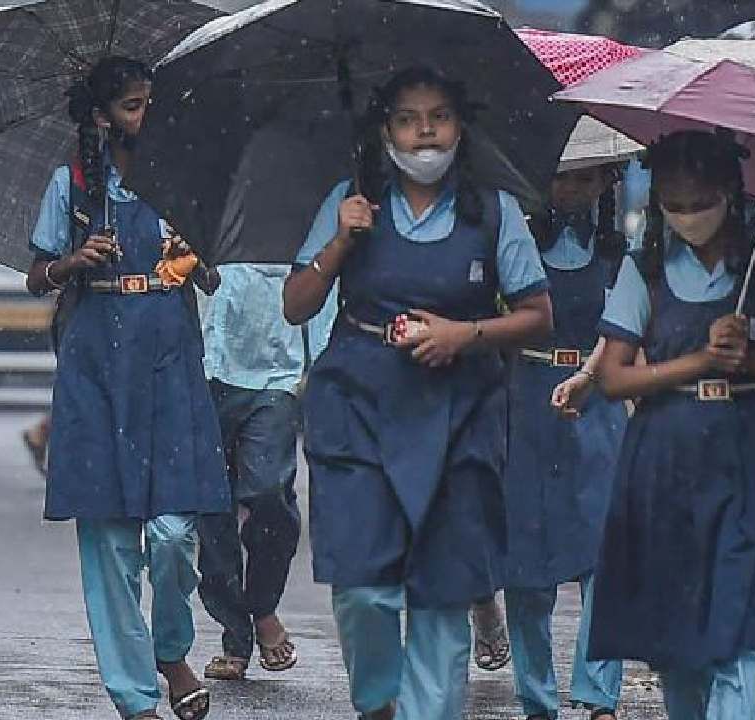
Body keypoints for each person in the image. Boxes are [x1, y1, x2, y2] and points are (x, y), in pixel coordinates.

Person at [282, 66, 554, 720]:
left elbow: (538, 315)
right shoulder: (350, 201)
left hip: (461, 409)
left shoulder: (494, 211)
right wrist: (342, 242)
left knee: (441, 592)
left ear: (461, 126)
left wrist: (466, 334)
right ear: (385, 131)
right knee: (363, 590)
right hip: (359, 401)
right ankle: (377, 703)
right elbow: (296, 305)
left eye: (438, 115)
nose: (424, 131)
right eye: (407, 118)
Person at [565, 129, 755, 720]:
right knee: (678, 639)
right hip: (668, 460)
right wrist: (699, 362)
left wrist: (749, 360)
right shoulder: (644, 272)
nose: (688, 217)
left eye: (700, 202)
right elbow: (613, 377)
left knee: (748, 625)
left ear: (730, 193)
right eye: (674, 206)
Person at [24, 56, 229, 720]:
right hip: (95, 364)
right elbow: (36, 275)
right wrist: (70, 262)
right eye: (132, 106)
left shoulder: (184, 176)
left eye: (150, 104)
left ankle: (170, 649)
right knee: (109, 542)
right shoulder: (71, 183)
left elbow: (215, 277)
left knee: (174, 532)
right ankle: (136, 695)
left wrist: (194, 257)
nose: (145, 117)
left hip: (169, 357)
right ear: (101, 116)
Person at [502, 143, 630, 720]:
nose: (572, 190)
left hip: (599, 403)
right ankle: (536, 697)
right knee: (526, 561)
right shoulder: (514, 244)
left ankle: (599, 692)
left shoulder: (621, 250)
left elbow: (628, 328)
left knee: (604, 550)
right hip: (525, 399)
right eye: (561, 177)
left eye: (585, 178)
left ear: (607, 181)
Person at [194, 262, 335, 680]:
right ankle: (235, 634)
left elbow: (325, 275)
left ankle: (262, 605)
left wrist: (323, 360)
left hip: (276, 372)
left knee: (269, 492)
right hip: (206, 367)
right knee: (212, 507)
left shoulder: (298, 208)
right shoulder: (204, 208)